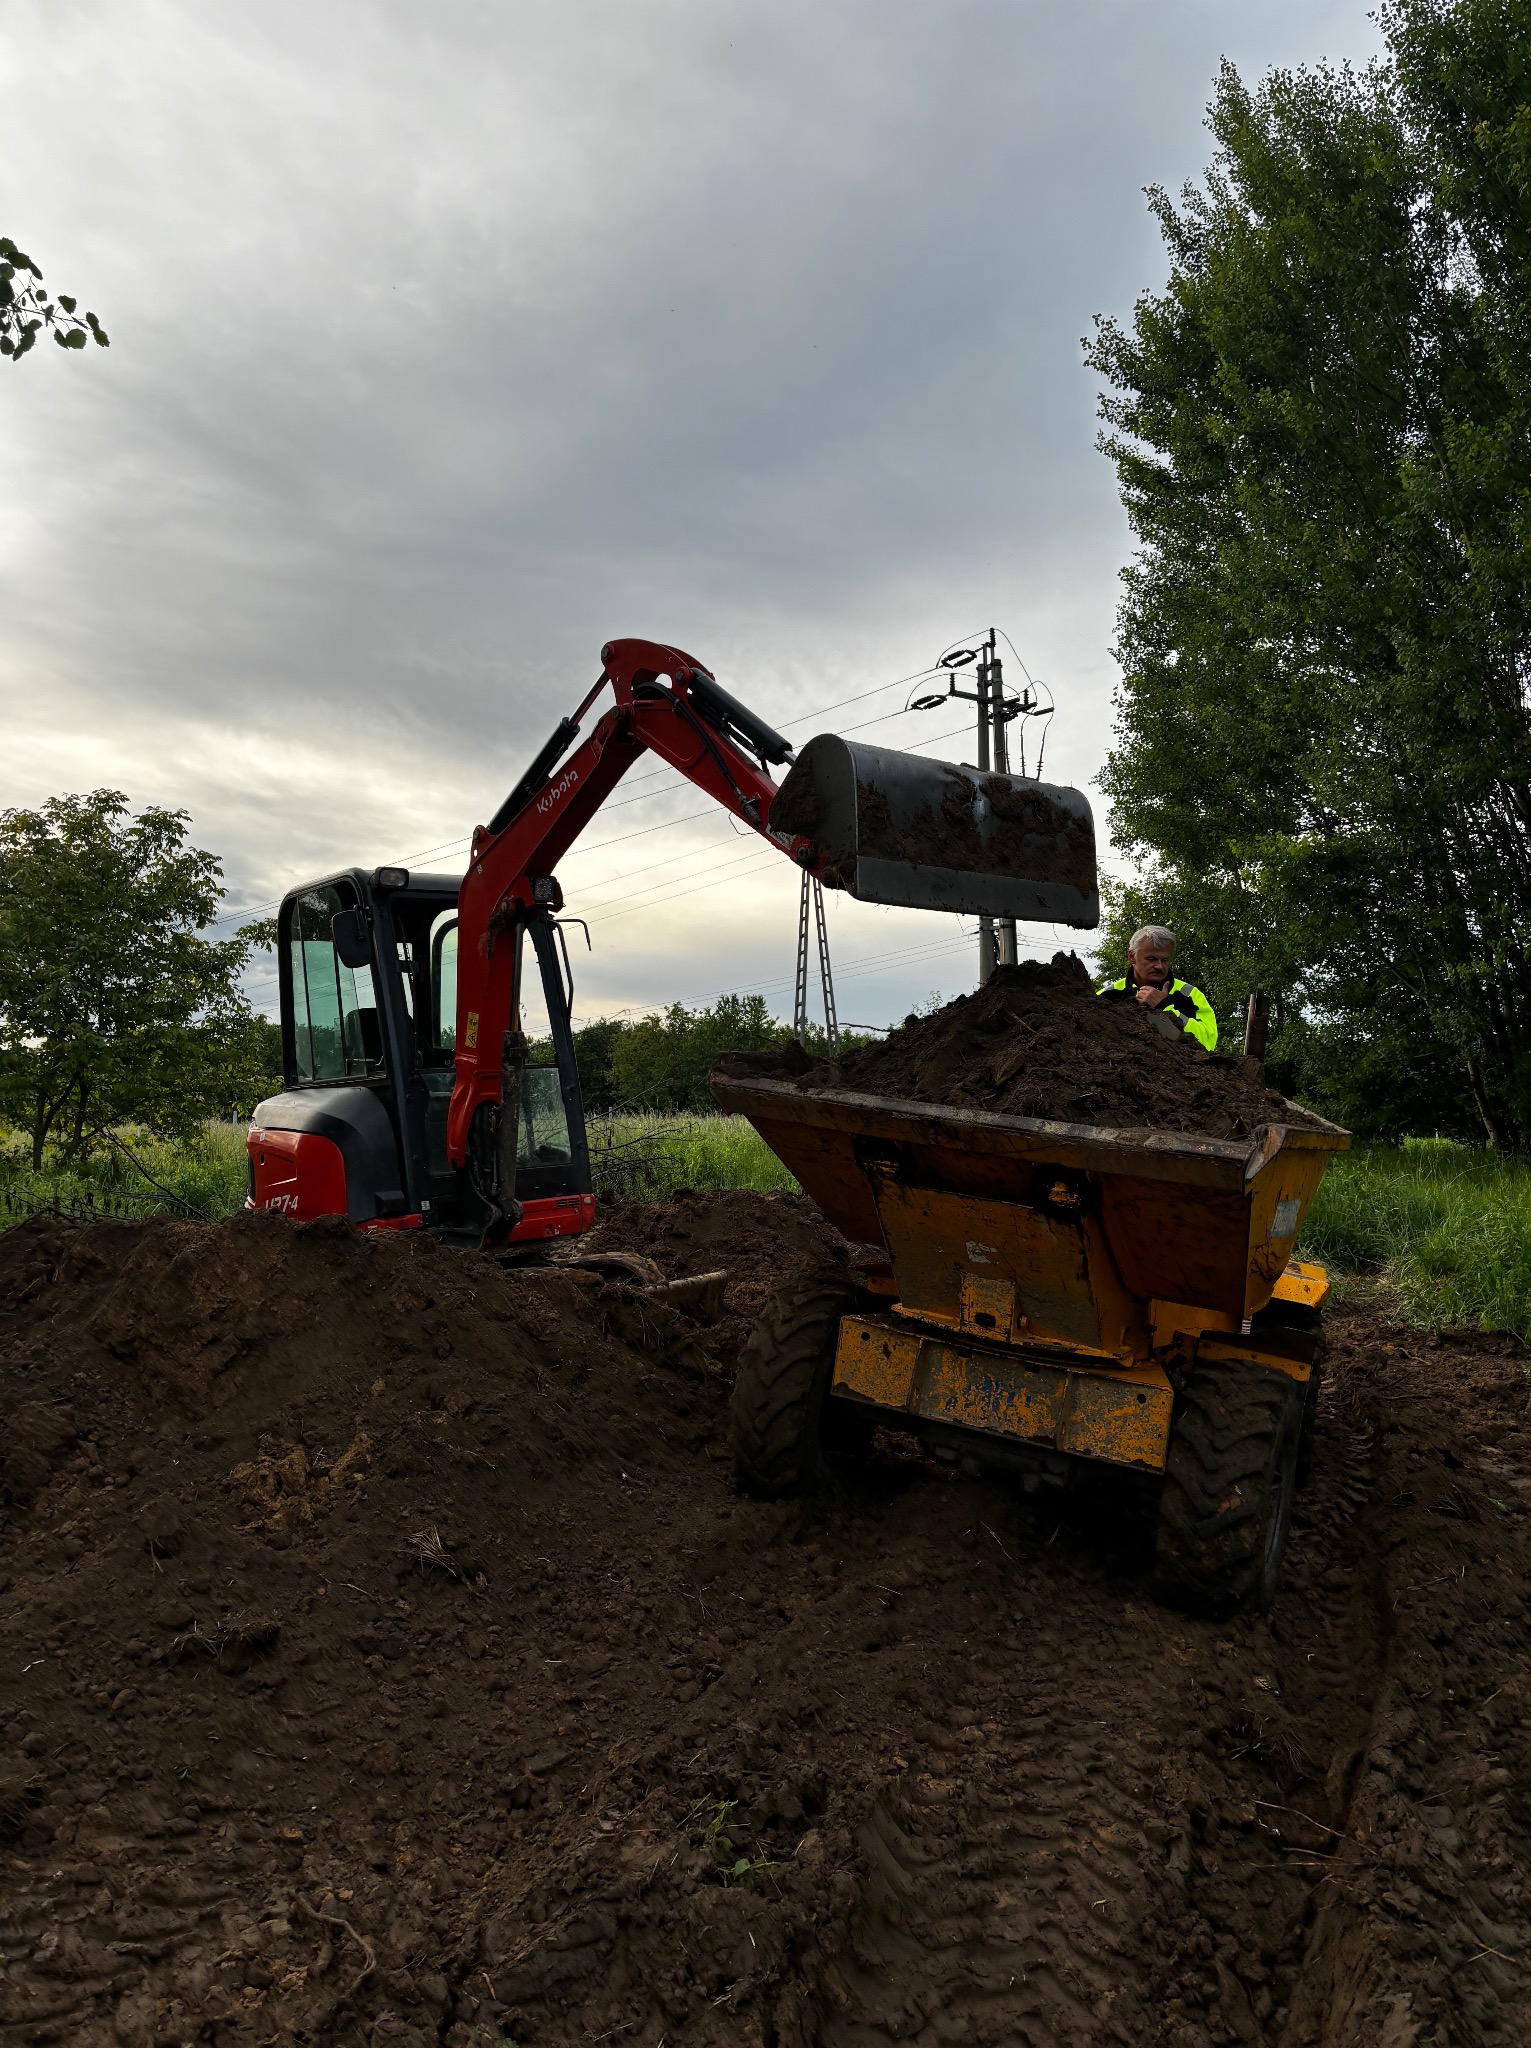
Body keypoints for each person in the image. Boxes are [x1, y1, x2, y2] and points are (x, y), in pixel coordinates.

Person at [1099, 924, 1217, 1051]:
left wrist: (1165, 1008)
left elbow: (1208, 1043)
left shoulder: (1190, 995)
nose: (1159, 966)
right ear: (1132, 956)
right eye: (1151, 959)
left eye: (1164, 960)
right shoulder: (1106, 996)